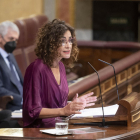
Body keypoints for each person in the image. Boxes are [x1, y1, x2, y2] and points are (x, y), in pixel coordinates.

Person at [23, 19, 97, 128]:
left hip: (59, 127)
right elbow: (32, 111)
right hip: (40, 131)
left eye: (70, 40)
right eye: (63, 41)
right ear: (51, 43)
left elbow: (55, 105)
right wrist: (63, 111)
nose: (68, 45)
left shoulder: (61, 66)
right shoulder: (36, 68)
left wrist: (73, 105)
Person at [0, 21, 23, 111]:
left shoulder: (10, 54)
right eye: (11, 39)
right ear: (0, 37)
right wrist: (22, 100)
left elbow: (20, 81)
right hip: (11, 106)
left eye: (16, 40)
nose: (13, 43)